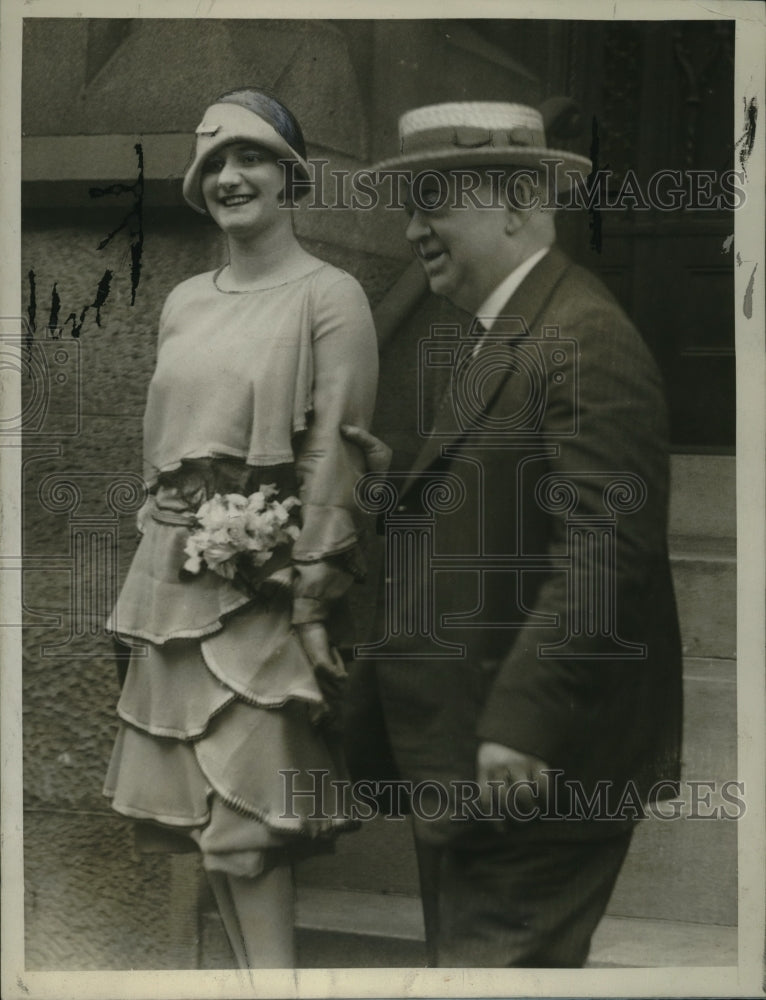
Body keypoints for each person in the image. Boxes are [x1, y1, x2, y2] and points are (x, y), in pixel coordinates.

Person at [343, 101, 683, 968]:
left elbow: (606, 552)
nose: (413, 228)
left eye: (433, 201)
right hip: (474, 764)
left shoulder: (582, 337)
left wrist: (523, 724)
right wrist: (400, 491)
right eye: (408, 204)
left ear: (519, 203)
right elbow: (504, 504)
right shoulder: (508, 327)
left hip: (538, 768)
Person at [103, 88, 378, 969]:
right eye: (215, 161)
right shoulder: (184, 299)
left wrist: (310, 589)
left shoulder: (332, 297)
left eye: (252, 156)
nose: (231, 176)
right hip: (175, 578)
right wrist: (160, 517)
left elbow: (335, 451)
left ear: (290, 174)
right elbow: (167, 443)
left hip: (268, 585)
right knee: (205, 822)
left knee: (247, 830)